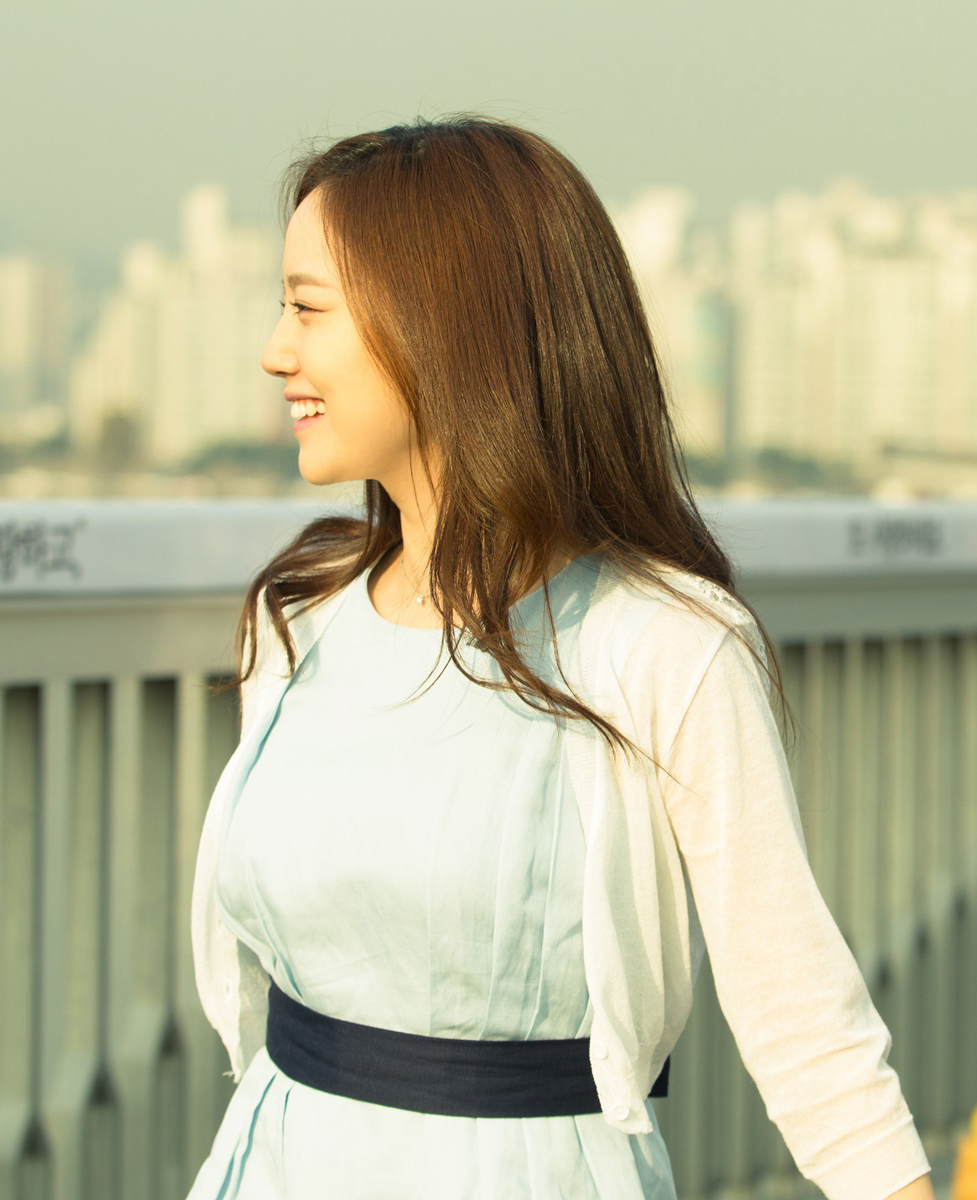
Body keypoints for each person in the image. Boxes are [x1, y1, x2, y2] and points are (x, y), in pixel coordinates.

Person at [184, 117, 934, 1200]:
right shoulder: (302, 619)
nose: (275, 349)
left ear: (441, 324)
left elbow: (801, 1019)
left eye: (306, 306)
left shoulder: (661, 644)